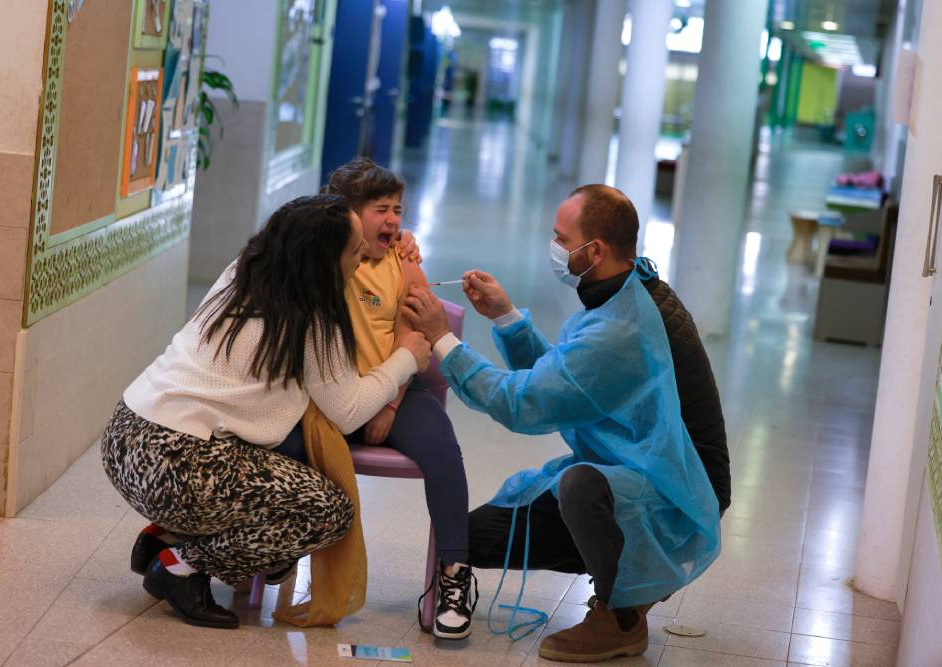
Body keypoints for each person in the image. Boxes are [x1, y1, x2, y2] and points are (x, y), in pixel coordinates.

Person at [401, 185, 723, 662]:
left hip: (669, 488)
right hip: (630, 467)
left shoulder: (620, 327)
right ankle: (621, 570)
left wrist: (441, 339)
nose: (553, 247)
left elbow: (523, 403)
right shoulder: (622, 290)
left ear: (594, 250)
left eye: (560, 238)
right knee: (468, 537)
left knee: (580, 486)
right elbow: (569, 378)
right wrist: (506, 317)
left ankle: (622, 614)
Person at [100, 195, 431, 629]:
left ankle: (164, 535)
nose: (362, 258)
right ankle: (180, 565)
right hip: (177, 465)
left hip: (125, 437)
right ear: (324, 260)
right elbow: (348, 411)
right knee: (328, 512)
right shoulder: (314, 316)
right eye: (354, 251)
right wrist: (405, 358)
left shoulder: (248, 267)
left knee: (279, 476)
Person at [323, 158, 476, 639]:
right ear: (347, 212)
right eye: (380, 209)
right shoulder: (321, 254)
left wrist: (389, 404)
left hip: (394, 391)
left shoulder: (403, 265)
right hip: (327, 394)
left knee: (444, 450)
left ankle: (453, 575)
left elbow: (416, 338)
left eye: (398, 211)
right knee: (270, 438)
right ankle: (260, 549)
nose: (393, 220)